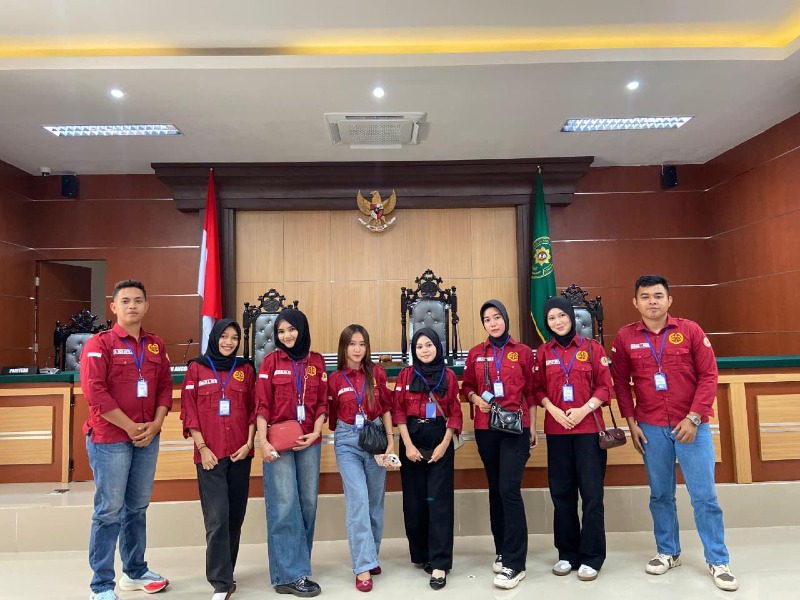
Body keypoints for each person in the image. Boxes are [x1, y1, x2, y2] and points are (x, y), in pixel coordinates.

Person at [611, 274, 738, 592]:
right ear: (635, 302)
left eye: (658, 296)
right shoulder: (625, 337)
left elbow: (709, 375)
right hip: (650, 427)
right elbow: (620, 383)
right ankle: (668, 552)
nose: (652, 302)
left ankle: (718, 559)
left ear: (669, 300)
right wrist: (631, 422)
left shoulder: (690, 330)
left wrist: (694, 418)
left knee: (704, 496)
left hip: (692, 427)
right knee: (660, 495)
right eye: (645, 296)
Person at [80, 279, 172, 600]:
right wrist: (130, 426)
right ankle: (101, 585)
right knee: (109, 511)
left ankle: (134, 572)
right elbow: (95, 393)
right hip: (110, 439)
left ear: (146, 305)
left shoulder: (156, 345)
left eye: (138, 300)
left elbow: (165, 387)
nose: (132, 305)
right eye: (125, 301)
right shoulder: (99, 344)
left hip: (147, 437)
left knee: (137, 507)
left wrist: (156, 424)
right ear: (114, 307)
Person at [533, 297, 613, 582]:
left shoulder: (592, 348)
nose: (557, 321)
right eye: (551, 318)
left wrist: (583, 410)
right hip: (557, 433)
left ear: (572, 317)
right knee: (562, 495)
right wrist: (553, 410)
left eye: (562, 316)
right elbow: (537, 389)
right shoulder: (543, 352)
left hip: (589, 431)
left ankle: (592, 556)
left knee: (592, 496)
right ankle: (567, 553)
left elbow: (605, 387)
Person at [461, 299, 537, 590]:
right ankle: (503, 549)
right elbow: (467, 387)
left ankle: (516, 564)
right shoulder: (476, 354)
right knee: (496, 488)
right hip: (486, 428)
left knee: (509, 488)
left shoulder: (523, 352)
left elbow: (532, 391)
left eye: (497, 317)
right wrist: (475, 398)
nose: (492, 323)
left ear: (505, 319)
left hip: (516, 428)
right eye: (487, 319)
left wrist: (532, 426)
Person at [180, 318, 256, 600]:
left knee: (235, 516)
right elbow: (189, 411)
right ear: (214, 338)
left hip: (240, 453)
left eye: (234, 338)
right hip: (209, 456)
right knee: (217, 517)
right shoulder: (197, 368)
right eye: (224, 337)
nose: (229, 342)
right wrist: (202, 448)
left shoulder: (245, 369)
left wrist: (249, 443)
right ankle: (220, 582)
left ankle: (227, 572)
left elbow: (253, 409)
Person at [255, 308, 328, 598]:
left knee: (307, 504)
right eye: (281, 331)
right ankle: (288, 575)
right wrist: (263, 442)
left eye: (291, 329)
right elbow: (262, 405)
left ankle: (299, 567)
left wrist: (317, 431)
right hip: (278, 444)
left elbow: (322, 403)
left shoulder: (317, 362)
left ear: (302, 329)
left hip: (310, 440)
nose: (286, 335)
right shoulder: (270, 362)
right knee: (284, 504)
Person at [393, 327, 463, 591]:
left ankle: (440, 563)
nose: (424, 350)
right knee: (415, 503)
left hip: (439, 443)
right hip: (411, 442)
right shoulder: (405, 375)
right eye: (419, 346)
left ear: (437, 347)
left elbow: (455, 413)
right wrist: (408, 445)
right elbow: (399, 411)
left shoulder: (449, 376)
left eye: (429, 345)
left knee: (439, 503)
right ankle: (422, 554)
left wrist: (444, 445)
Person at [327, 324, 395, 593]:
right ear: (343, 347)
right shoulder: (334, 379)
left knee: (375, 503)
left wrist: (391, 440)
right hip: (348, 442)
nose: (357, 349)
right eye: (352, 344)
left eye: (362, 344)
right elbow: (332, 414)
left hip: (376, 438)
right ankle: (363, 566)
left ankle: (370, 555)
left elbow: (386, 407)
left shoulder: (376, 373)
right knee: (358, 501)